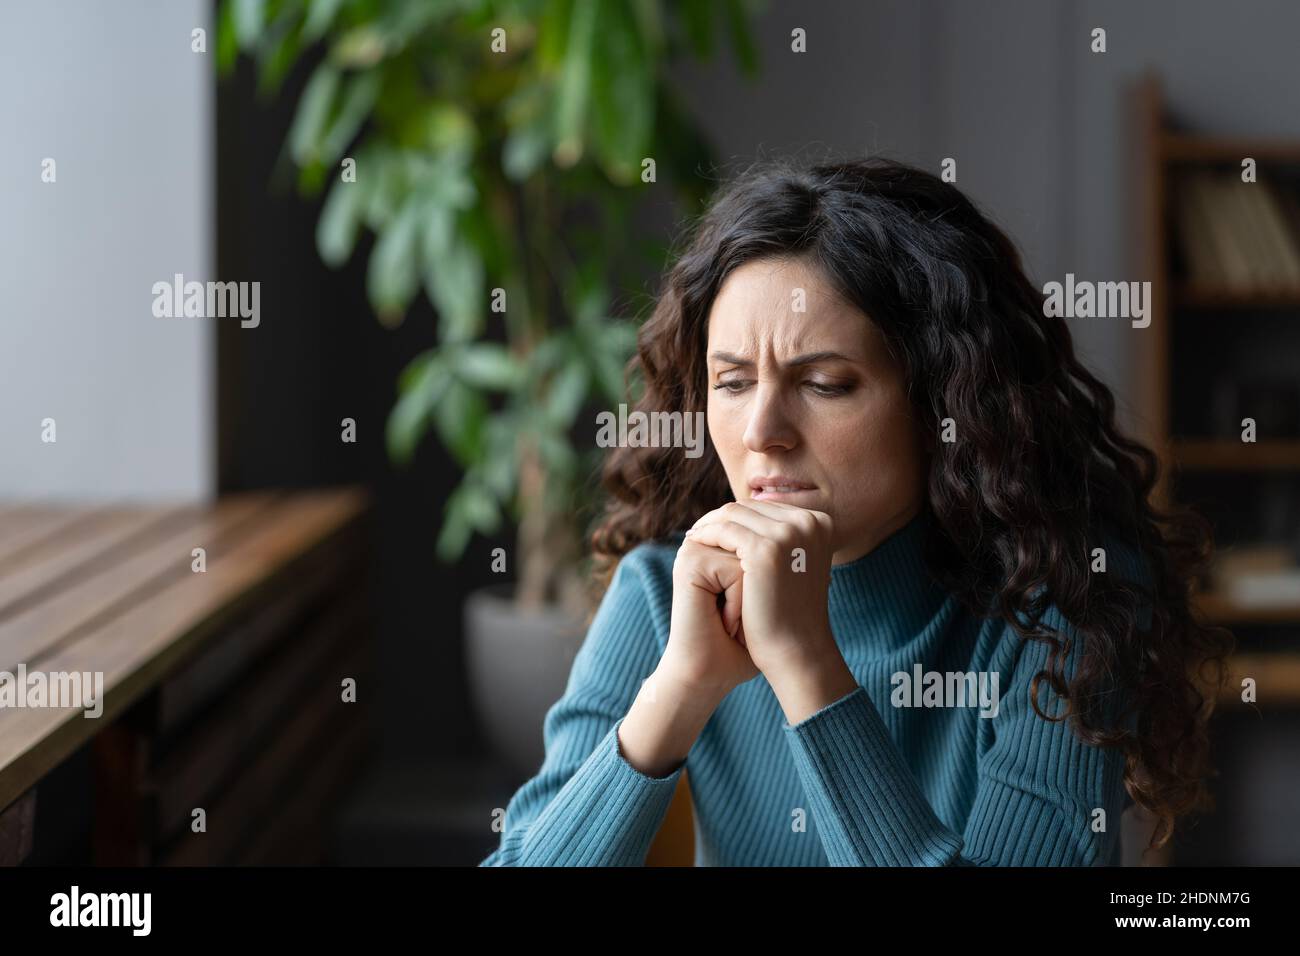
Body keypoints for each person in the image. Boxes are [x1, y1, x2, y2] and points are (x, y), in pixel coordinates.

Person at [479, 156, 1232, 866]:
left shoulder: (1061, 603)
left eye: (826, 384)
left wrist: (807, 666)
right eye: (733, 382)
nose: (760, 432)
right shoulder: (664, 593)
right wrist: (678, 690)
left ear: (946, 403)